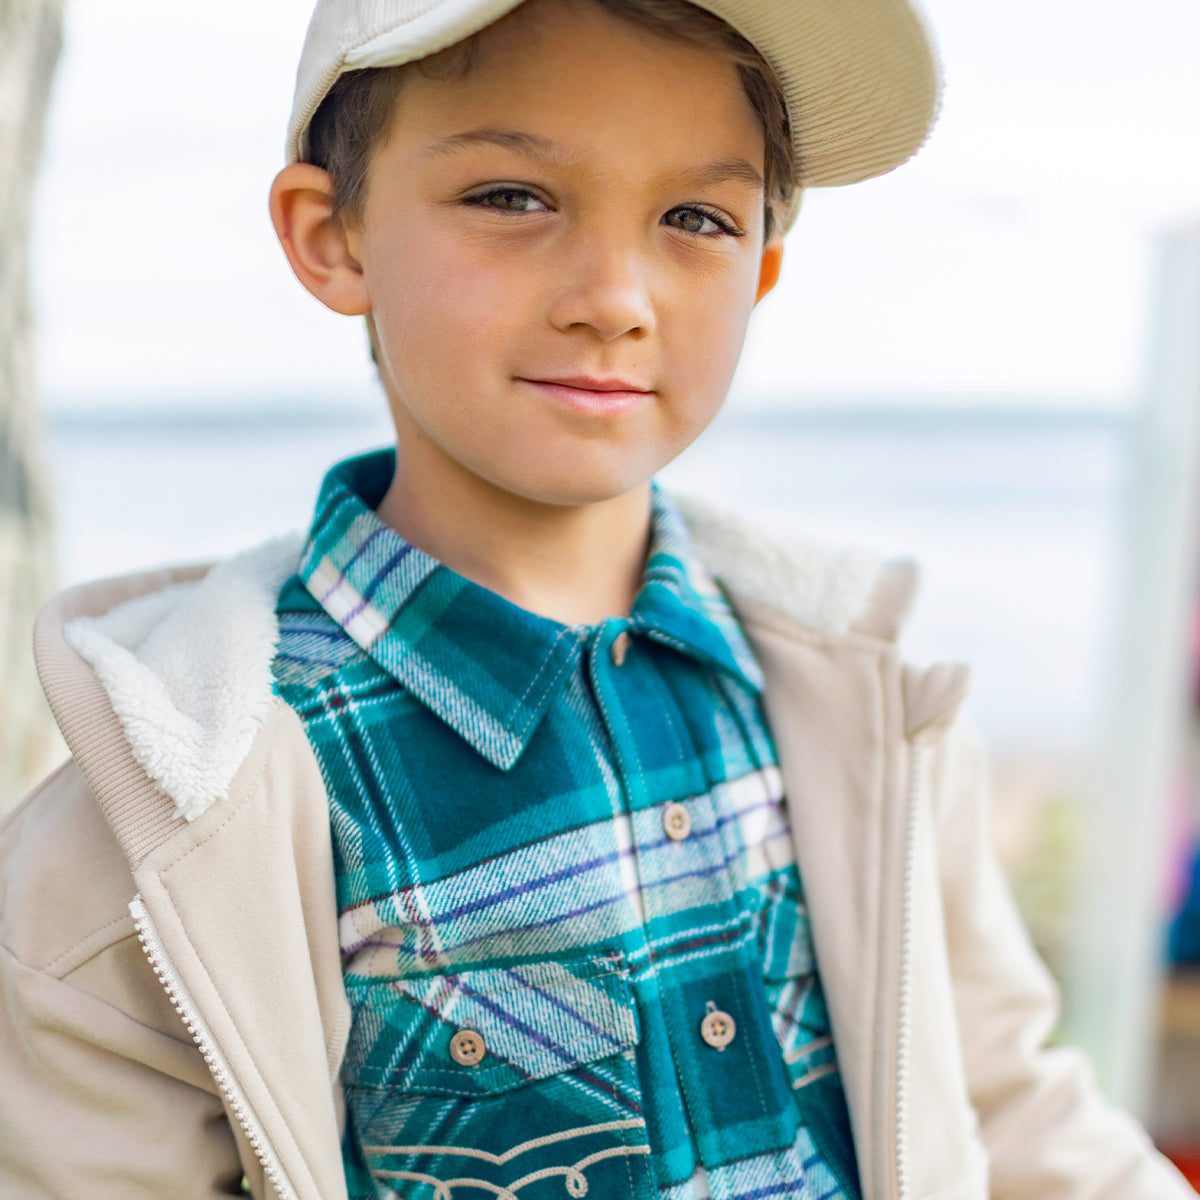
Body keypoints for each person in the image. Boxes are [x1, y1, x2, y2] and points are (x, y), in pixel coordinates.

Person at [0, 0, 1193, 1197]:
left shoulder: (866, 705)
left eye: (695, 218)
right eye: (513, 197)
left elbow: (1005, 1105)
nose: (615, 295)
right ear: (334, 235)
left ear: (762, 268)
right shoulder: (166, 828)